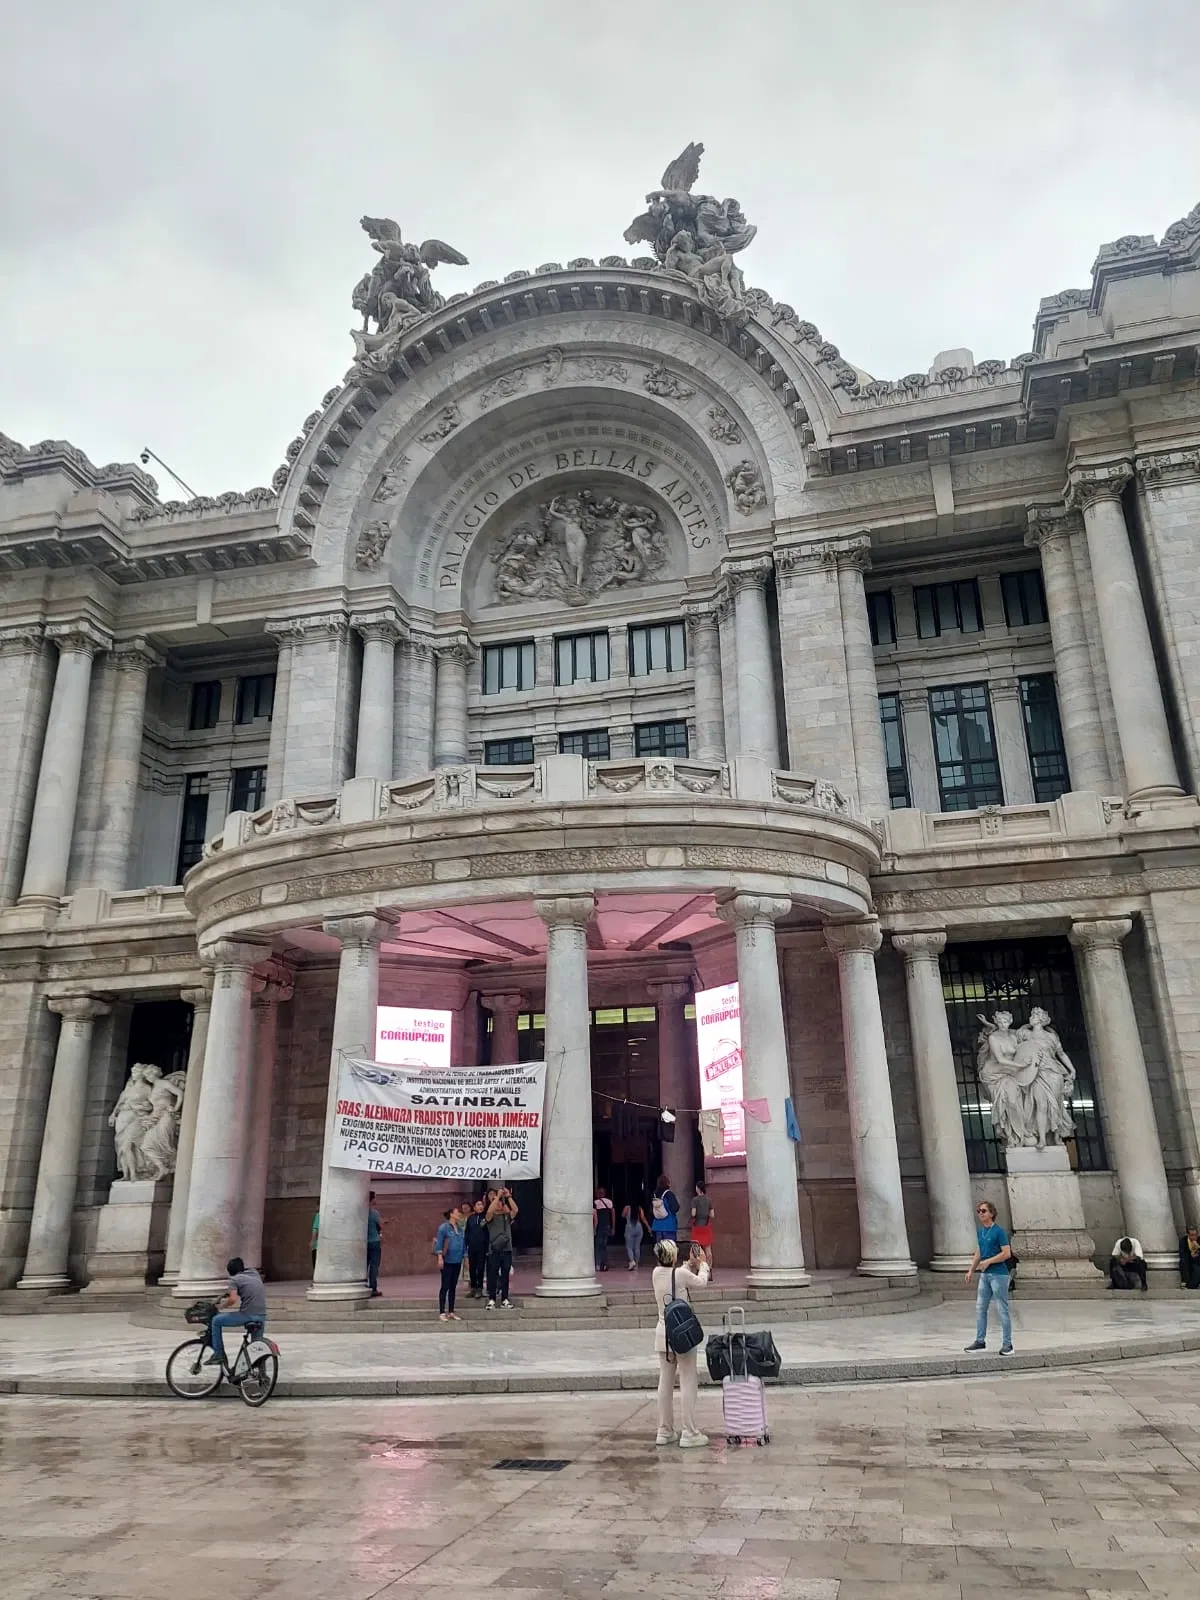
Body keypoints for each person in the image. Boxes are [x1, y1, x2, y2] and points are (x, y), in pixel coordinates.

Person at [650, 1239, 710, 1448]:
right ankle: (690, 1432)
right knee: (687, 1380)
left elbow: (674, 1275)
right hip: (682, 1333)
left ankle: (664, 1430)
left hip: (663, 1334)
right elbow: (701, 1281)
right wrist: (702, 1264)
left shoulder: (656, 1274)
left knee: (665, 1383)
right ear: (674, 1255)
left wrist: (687, 1265)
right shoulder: (681, 1275)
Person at [963, 1200, 1014, 1355]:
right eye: (978, 1211)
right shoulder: (981, 1232)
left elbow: (1007, 1253)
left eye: (984, 1211)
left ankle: (1008, 1344)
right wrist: (971, 1269)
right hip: (985, 1275)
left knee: (1001, 1309)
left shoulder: (999, 1232)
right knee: (980, 1308)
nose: (980, 1213)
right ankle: (980, 1340)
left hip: (998, 1274)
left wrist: (989, 1261)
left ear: (991, 1213)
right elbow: (979, 1252)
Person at [205, 1256, 267, 1368]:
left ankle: (218, 1354)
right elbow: (249, 1288)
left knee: (216, 1321)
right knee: (257, 1346)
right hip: (261, 1315)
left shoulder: (234, 1280)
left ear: (231, 1272)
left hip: (248, 1315)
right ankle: (263, 1376)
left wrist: (221, 1307)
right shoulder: (254, 1273)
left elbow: (233, 1300)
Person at [485, 1186, 518, 1308]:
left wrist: (508, 1196)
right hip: (494, 1249)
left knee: (505, 1274)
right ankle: (492, 1298)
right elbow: (489, 1211)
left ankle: (505, 1298)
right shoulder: (490, 1217)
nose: (498, 1205)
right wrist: (497, 1196)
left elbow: (515, 1210)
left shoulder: (507, 1217)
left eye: (499, 1203)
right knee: (493, 1274)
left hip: (506, 1249)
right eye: (497, 1203)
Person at [434, 1207, 466, 1320]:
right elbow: (439, 1244)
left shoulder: (461, 1229)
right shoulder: (444, 1228)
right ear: (451, 1214)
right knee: (445, 1286)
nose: (459, 1215)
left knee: (453, 1286)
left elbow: (463, 1244)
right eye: (457, 1213)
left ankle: (451, 1311)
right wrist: (439, 1257)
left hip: (457, 1260)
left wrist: (465, 1258)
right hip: (447, 1260)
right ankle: (442, 1311)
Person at [464, 1198, 490, 1298]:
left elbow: (488, 1234)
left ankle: (480, 1288)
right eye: (478, 1205)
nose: (480, 1206)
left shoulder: (486, 1218)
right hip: (472, 1247)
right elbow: (467, 1232)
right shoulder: (471, 1218)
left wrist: (487, 1247)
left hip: (482, 1247)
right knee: (472, 1268)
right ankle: (473, 1288)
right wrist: (466, 1245)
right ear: (474, 1207)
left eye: (481, 1205)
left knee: (480, 1268)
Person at [690, 1181, 715, 1274]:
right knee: (708, 1250)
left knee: (697, 1250)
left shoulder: (695, 1200)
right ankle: (710, 1270)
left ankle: (698, 1269)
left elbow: (693, 1213)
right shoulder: (709, 1200)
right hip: (706, 1227)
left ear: (698, 1188)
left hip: (697, 1227)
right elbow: (712, 1215)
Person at [622, 1198, 649, 1271]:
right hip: (639, 1227)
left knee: (629, 1247)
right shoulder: (639, 1208)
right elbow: (643, 1218)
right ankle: (636, 1264)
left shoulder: (627, 1208)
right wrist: (648, 1227)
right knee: (637, 1247)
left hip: (629, 1227)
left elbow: (623, 1215)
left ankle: (632, 1261)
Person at [651, 1175, 680, 1243]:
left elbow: (651, 1210)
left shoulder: (655, 1194)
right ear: (667, 1183)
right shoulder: (669, 1194)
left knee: (660, 1250)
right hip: (669, 1225)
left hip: (657, 1226)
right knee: (669, 1250)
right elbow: (675, 1208)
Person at [593, 1186, 615, 1272]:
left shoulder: (595, 1203)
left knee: (598, 1245)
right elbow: (613, 1215)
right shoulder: (609, 1202)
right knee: (604, 1246)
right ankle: (604, 1263)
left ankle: (599, 1264)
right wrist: (613, 1227)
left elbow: (595, 1217)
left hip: (599, 1226)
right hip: (607, 1226)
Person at [366, 1192, 383, 1298]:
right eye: (375, 1198)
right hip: (374, 1242)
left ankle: (362, 1286)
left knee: (364, 1265)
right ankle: (373, 1287)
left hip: (364, 1243)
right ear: (371, 1200)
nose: (376, 1200)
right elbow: (380, 1226)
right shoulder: (374, 1213)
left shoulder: (361, 1213)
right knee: (374, 1266)